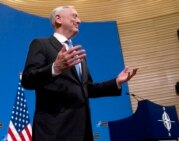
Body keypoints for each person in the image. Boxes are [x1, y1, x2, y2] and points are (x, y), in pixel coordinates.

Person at [21, 5, 137, 141]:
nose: (79, 21)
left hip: (83, 132)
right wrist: (55, 68)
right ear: (58, 19)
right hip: (55, 132)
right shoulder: (41, 44)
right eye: (74, 16)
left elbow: (87, 88)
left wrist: (116, 82)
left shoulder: (77, 54)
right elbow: (27, 80)